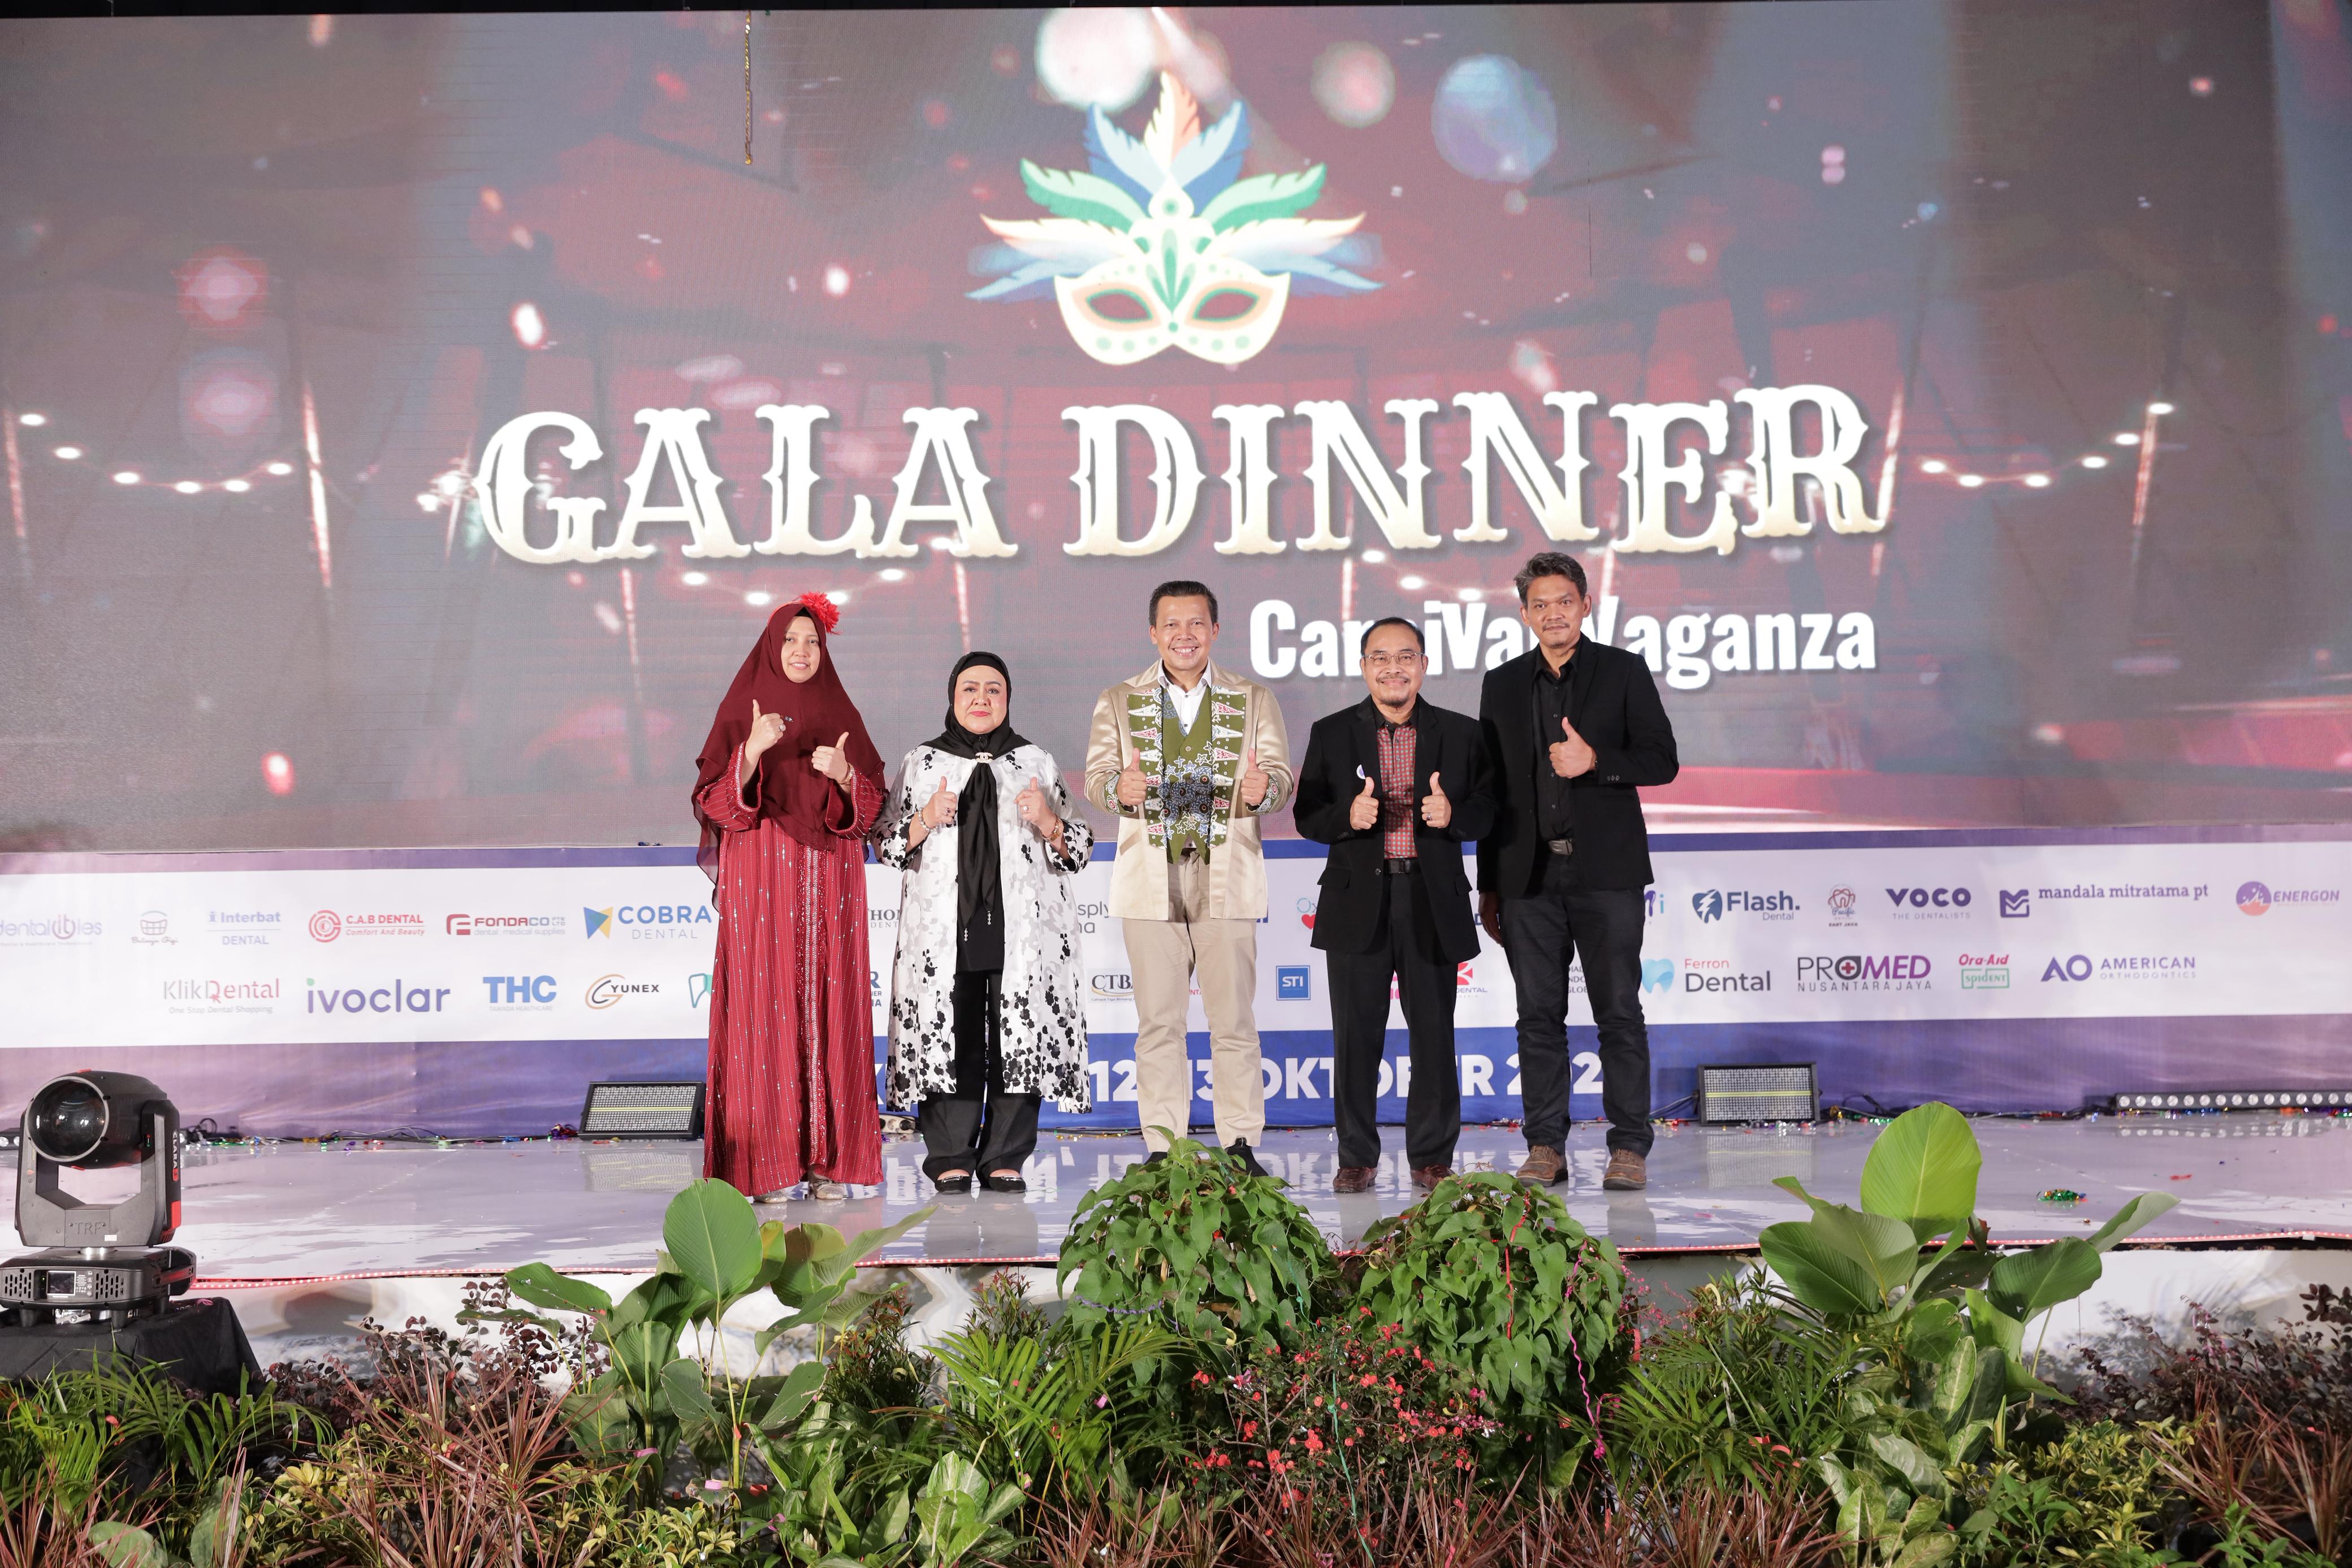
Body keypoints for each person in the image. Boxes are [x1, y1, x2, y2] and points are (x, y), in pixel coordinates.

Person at [1477, 552, 1679, 1192]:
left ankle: (1629, 1146)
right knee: (1537, 1017)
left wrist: (1596, 761)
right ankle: (1545, 1146)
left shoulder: (1622, 670)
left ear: (1585, 605)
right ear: (1524, 614)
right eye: (1539, 604)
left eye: (1564, 601)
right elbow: (1491, 790)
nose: (1553, 614)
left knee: (1618, 1012)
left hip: (1606, 875)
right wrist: (1489, 884)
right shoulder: (1502, 684)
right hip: (1528, 878)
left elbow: (1662, 760)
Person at [1084, 581, 1292, 1176]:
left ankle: (1240, 1142)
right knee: (1158, 1023)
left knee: (1233, 1022)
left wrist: (1266, 789)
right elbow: (1097, 778)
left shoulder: (1252, 698)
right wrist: (1116, 789)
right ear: (1153, 633)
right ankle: (1162, 1146)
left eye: (1196, 623)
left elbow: (1278, 777)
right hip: (1150, 877)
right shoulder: (1118, 699)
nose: (1184, 635)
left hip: (1228, 874)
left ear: (1215, 630)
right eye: (1172, 624)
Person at [690, 592, 887, 1203]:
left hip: (832, 880)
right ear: (771, 648)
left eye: (812, 642)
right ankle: (766, 1165)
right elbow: (718, 807)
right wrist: (750, 751)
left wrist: (845, 776)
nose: (802, 651)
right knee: (764, 1005)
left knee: (834, 1004)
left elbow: (869, 817)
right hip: (762, 878)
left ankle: (830, 1162)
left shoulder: (840, 711)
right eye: (790, 641)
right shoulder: (741, 712)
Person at [874, 652, 1093, 1195]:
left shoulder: (1035, 761)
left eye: (993, 689)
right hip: (943, 928)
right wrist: (925, 819)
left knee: (1019, 1034)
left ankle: (1005, 1156)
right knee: (951, 1033)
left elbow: (1080, 848)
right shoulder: (922, 761)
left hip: (1023, 931)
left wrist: (1048, 821)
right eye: (969, 688)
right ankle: (950, 1153)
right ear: (952, 697)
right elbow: (885, 844)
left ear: (1008, 699)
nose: (981, 699)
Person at [1292, 617, 1496, 1194]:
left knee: (1434, 1035)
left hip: (1431, 899)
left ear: (1423, 665)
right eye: (1379, 657)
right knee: (1355, 1036)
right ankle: (1356, 1156)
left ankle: (1432, 1156)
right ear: (1363, 667)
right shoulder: (1332, 732)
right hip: (1357, 900)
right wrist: (1346, 816)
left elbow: (1489, 810)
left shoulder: (1461, 733)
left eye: (1405, 656)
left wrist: (1453, 816)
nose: (1393, 668)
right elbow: (1307, 815)